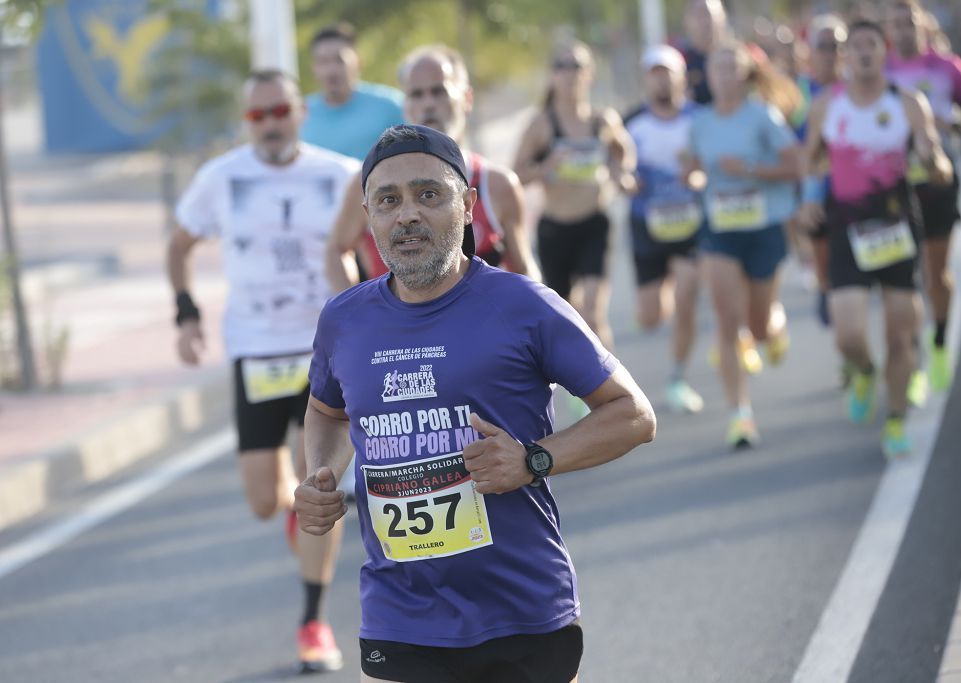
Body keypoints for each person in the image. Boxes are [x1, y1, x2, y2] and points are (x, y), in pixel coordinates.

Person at [293, 124, 656, 683]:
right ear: (369, 217)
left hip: (521, 610)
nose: (407, 215)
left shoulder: (524, 306)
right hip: (401, 613)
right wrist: (320, 473)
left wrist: (533, 459)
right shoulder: (344, 320)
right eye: (388, 200)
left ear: (467, 207)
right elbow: (326, 411)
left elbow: (632, 415)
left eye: (428, 195)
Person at [167, 69, 360, 672]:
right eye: (257, 116)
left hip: (323, 352)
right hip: (254, 351)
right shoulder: (220, 178)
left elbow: (372, 245)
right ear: (245, 121)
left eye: (278, 111)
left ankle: (312, 621)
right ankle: (293, 518)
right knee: (262, 500)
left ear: (299, 110)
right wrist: (186, 312)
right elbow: (179, 246)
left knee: (319, 488)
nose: (270, 124)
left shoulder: (339, 174)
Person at [799, 19, 953, 458]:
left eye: (871, 44)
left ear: (883, 52)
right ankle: (864, 371)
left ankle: (897, 420)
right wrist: (809, 200)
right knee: (847, 332)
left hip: (896, 222)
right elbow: (811, 161)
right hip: (847, 225)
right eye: (855, 46)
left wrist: (934, 162)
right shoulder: (827, 106)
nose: (864, 52)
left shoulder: (907, 103)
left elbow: (933, 154)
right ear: (845, 56)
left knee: (901, 333)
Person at [326, 45, 541, 292]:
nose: (428, 104)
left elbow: (524, 269)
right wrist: (355, 315)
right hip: (398, 328)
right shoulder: (368, 183)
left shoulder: (497, 184)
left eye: (439, 92)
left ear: (466, 99)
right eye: (416, 94)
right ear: (405, 104)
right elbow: (336, 250)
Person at [682, 42, 801, 449]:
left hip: (764, 227)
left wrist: (749, 169)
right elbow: (693, 169)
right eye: (719, 68)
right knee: (726, 321)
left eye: (733, 68)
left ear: (746, 74)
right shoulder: (700, 122)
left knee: (759, 325)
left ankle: (774, 327)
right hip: (721, 229)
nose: (726, 75)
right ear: (709, 76)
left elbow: (795, 165)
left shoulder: (762, 116)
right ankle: (740, 415)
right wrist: (692, 178)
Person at [885, 0, 961, 394]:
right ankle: (911, 362)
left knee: (935, 274)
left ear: (922, 25)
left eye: (908, 22)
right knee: (901, 280)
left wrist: (948, 124)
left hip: (937, 182)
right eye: (894, 25)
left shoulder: (948, 68)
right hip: (892, 189)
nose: (902, 31)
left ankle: (941, 342)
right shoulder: (880, 74)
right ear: (888, 32)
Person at [512, 40, 636, 351]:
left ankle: (605, 393)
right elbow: (516, 175)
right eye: (562, 67)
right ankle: (578, 389)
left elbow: (624, 153)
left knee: (593, 313)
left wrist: (620, 174)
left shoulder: (602, 121)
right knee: (564, 319)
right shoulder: (542, 124)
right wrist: (546, 167)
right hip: (556, 229)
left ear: (589, 75)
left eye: (577, 66)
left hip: (594, 223)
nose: (570, 74)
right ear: (553, 76)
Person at [623, 45, 705, 414]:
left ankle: (677, 377)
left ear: (681, 77)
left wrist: (699, 176)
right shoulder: (632, 123)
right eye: (655, 72)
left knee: (688, 295)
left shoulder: (698, 119)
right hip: (647, 224)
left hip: (691, 222)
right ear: (646, 79)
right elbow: (617, 167)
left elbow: (709, 164)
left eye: (668, 72)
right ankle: (665, 288)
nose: (661, 79)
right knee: (651, 316)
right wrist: (627, 180)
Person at [795, 14, 849, 329]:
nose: (830, 53)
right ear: (810, 51)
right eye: (823, 46)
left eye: (837, 46)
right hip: (816, 192)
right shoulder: (798, 91)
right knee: (830, 277)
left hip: (858, 193)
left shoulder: (861, 87)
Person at [301, 24, 405, 160]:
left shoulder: (391, 106)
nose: (331, 70)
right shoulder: (299, 113)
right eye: (323, 61)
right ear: (314, 67)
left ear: (358, 61)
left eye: (339, 60)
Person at [677, 0, 732, 104]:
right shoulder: (679, 62)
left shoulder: (743, 57)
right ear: (686, 20)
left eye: (709, 14)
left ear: (723, 17)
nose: (705, 21)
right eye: (698, 14)